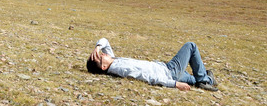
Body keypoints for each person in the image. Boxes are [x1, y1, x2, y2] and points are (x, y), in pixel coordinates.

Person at [87, 38, 218, 91]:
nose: (102, 54)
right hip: (168, 72)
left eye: (101, 53)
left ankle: (207, 79)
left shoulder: (114, 61)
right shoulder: (121, 68)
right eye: (100, 57)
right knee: (191, 46)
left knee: (190, 78)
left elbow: (105, 41)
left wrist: (97, 47)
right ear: (104, 67)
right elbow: (147, 77)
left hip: (166, 70)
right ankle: (203, 79)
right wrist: (175, 84)